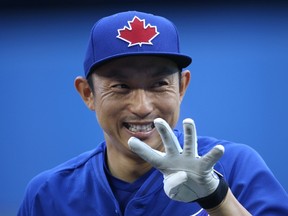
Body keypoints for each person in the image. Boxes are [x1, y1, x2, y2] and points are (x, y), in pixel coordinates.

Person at [18, 11, 288, 216]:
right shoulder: (48, 195)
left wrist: (217, 198)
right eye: (121, 86)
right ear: (88, 94)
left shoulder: (236, 168)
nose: (142, 106)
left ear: (181, 87)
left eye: (159, 84)